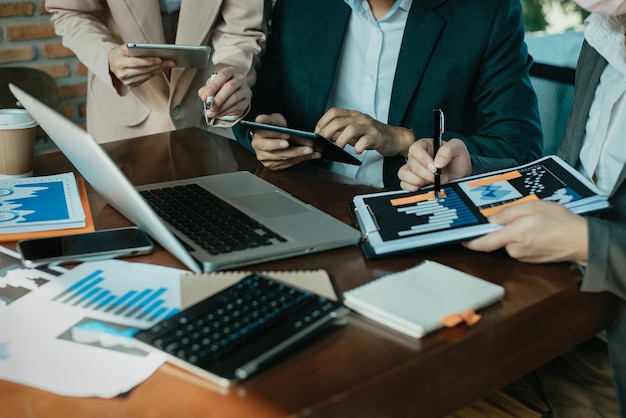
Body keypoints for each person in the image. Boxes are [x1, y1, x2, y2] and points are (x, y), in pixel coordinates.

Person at [458, 2, 626, 416]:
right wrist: (472, 168)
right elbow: (568, 179)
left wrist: (586, 242)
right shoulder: (601, 38)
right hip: (547, 328)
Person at [233, 0, 543, 190]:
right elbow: (265, 95)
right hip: (307, 195)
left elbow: (520, 149)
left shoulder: (487, 11)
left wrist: (403, 140)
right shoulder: (304, 4)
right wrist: (265, 132)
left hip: (417, 212)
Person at [46, 0, 267, 143]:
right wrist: (108, 56)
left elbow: (241, 31)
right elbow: (69, 12)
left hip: (206, 112)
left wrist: (228, 78)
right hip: (124, 109)